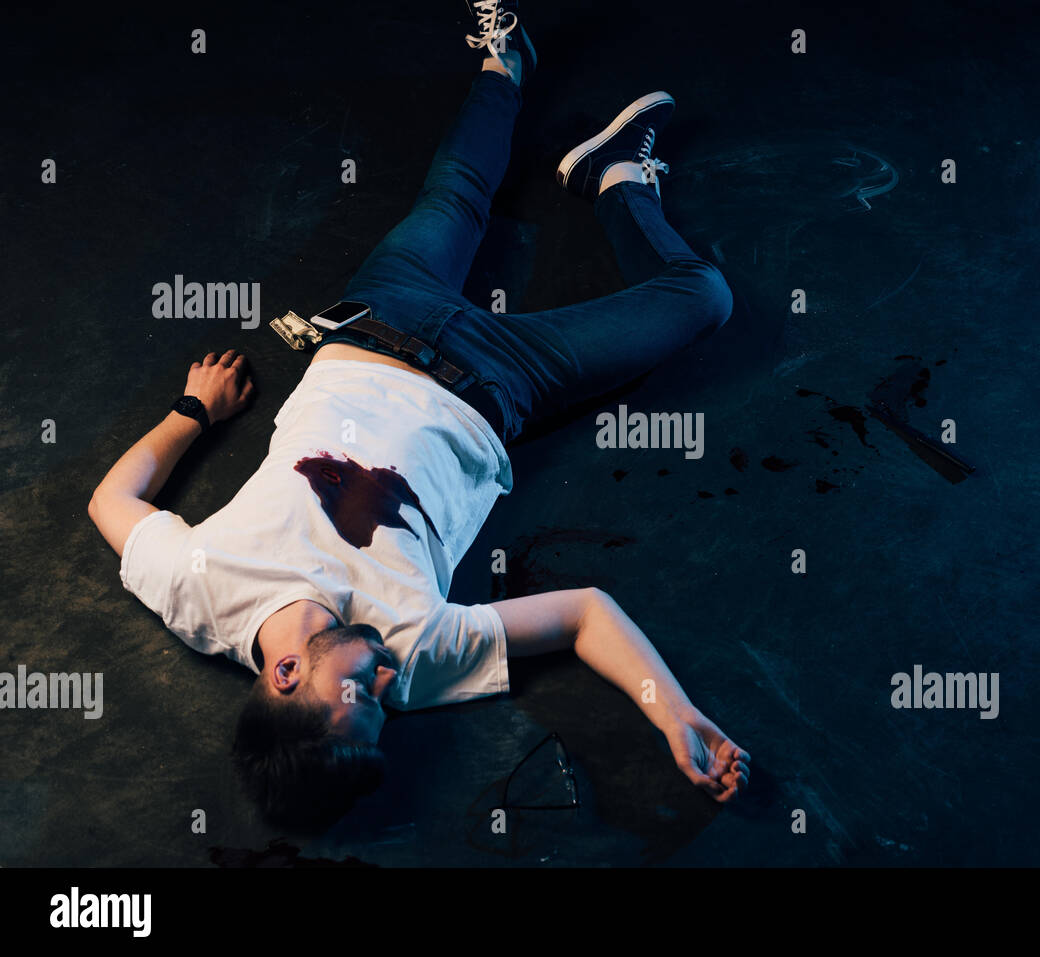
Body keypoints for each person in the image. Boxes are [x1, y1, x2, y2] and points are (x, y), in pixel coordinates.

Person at [87, 0, 749, 833]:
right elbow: (585, 612)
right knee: (705, 298)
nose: (384, 685)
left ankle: (503, 60)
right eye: (382, 705)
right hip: (500, 383)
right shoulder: (420, 654)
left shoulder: (198, 589)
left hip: (380, 323)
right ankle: (617, 183)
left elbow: (112, 504)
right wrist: (675, 714)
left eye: (357, 691)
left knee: (460, 192)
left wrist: (194, 411)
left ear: (285, 674)